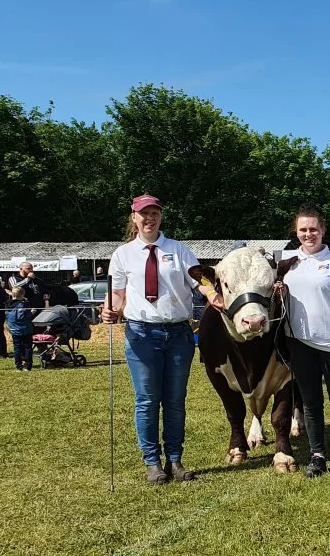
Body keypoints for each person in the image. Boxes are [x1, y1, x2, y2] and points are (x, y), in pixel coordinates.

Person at [101, 194, 208, 485]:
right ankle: (152, 463)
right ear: (134, 218)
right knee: (147, 401)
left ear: (160, 217)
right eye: (143, 214)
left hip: (178, 334)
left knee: (175, 401)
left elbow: (201, 282)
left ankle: (175, 460)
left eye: (155, 213)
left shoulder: (179, 250)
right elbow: (118, 295)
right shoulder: (122, 254)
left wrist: (215, 294)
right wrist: (110, 310)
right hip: (142, 335)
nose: (150, 218)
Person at [276, 204, 330, 478]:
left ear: (323, 230)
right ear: (296, 232)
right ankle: (317, 455)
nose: (308, 234)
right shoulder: (288, 264)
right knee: (311, 402)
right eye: (303, 229)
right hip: (299, 343)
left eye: (313, 228)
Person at [7, 287, 33, 371]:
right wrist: (31, 312)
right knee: (27, 347)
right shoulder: (22, 304)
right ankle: (27, 365)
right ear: (22, 295)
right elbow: (21, 317)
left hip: (13, 330)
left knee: (17, 348)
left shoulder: (7, 304)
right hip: (24, 329)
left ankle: (18, 365)